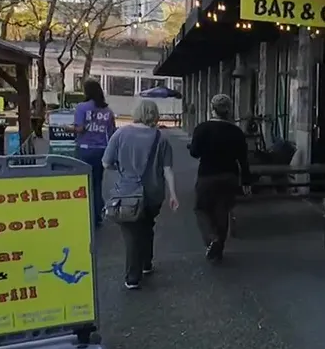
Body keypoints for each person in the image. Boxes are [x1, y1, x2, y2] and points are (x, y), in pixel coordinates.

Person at [103, 99, 178, 289]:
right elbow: (167, 169)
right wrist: (173, 194)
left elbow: (106, 162)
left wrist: (122, 169)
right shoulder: (161, 138)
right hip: (153, 193)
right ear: (155, 115)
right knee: (146, 225)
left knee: (131, 233)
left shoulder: (120, 134)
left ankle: (133, 277)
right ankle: (146, 262)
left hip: (127, 193)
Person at [188, 94, 252, 262]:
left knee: (201, 209)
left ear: (212, 109)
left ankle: (212, 239)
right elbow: (243, 159)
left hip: (207, 175)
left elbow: (194, 152)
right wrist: (246, 181)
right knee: (222, 210)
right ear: (229, 110)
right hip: (229, 176)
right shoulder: (236, 132)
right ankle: (218, 250)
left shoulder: (202, 128)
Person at [74, 80, 117, 227]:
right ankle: (97, 213)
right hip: (102, 150)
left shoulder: (81, 107)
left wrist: (67, 128)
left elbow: (80, 129)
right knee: (97, 183)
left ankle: (88, 214)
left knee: (85, 183)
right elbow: (112, 132)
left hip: (85, 149)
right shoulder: (108, 111)